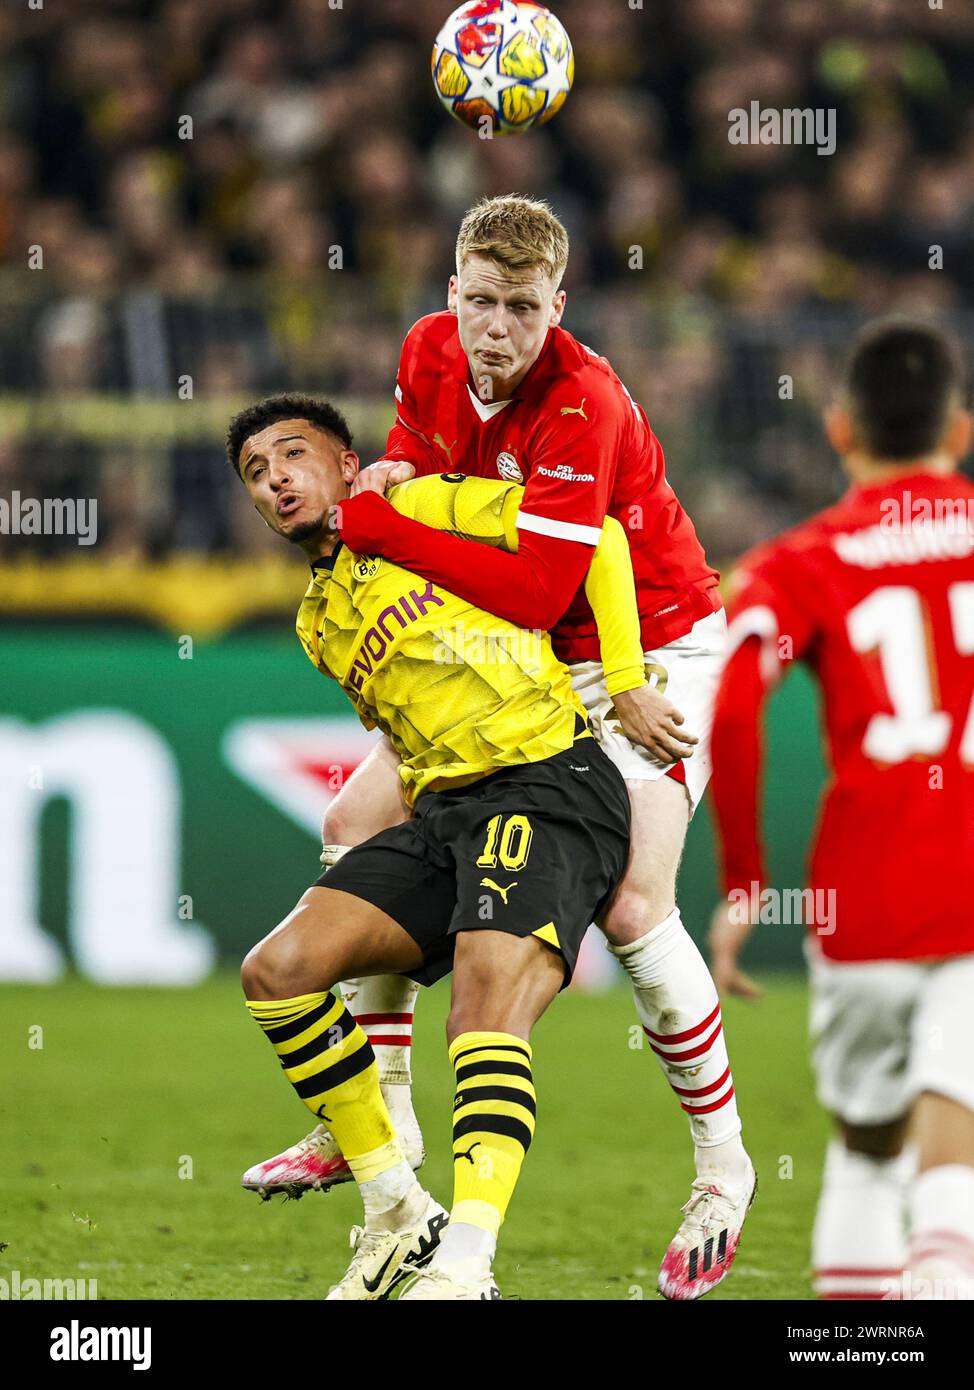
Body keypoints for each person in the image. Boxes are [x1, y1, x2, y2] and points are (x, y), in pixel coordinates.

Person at [244, 193, 755, 1302]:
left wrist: (619, 681)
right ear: (450, 296)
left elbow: (543, 577)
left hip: (646, 644)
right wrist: (385, 483)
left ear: (556, 306)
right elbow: (419, 469)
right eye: (479, 301)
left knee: (630, 905)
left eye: (521, 308)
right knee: (349, 822)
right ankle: (380, 1133)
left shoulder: (584, 403)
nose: (496, 330)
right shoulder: (427, 352)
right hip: (513, 651)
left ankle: (722, 1167)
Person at [228, 393, 640, 1299]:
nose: (275, 480)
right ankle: (396, 1216)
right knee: (278, 969)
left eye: (292, 456)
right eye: (256, 474)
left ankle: (465, 1268)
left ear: (348, 464)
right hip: (447, 814)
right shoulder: (317, 622)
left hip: (548, 780)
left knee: (483, 1014)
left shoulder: (419, 503)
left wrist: (627, 682)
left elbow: (596, 538)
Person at [708, 320, 974, 1300]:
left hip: (860, 898)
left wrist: (743, 881)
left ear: (837, 431)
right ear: (957, 429)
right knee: (956, 1135)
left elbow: (735, 696)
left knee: (865, 1148)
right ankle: (944, 1274)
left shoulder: (801, 558)